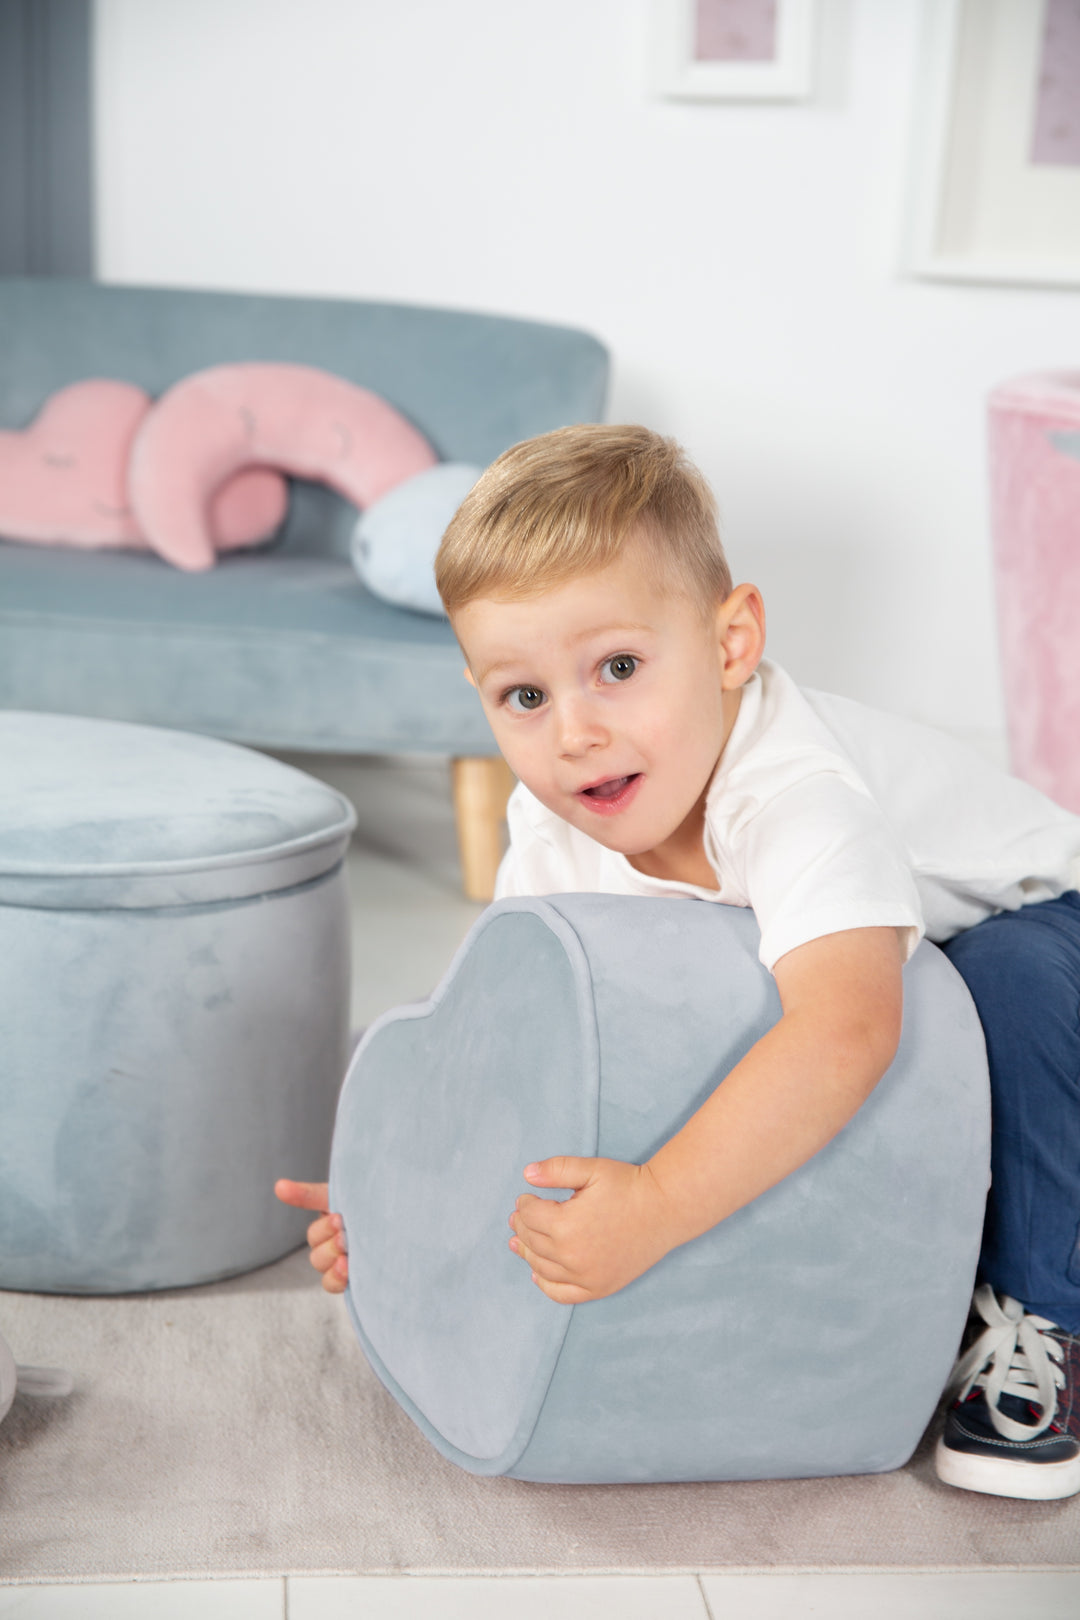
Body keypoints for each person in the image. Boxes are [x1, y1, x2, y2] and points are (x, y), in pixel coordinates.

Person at [276, 424, 1080, 1501]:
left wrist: (656, 1204)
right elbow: (509, 1053)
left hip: (1050, 917)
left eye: (617, 668)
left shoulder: (794, 798)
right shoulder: (552, 819)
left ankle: (1041, 1314)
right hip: (900, 952)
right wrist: (401, 1199)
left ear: (731, 641)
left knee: (1000, 985)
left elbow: (847, 1029)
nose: (574, 735)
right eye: (526, 696)